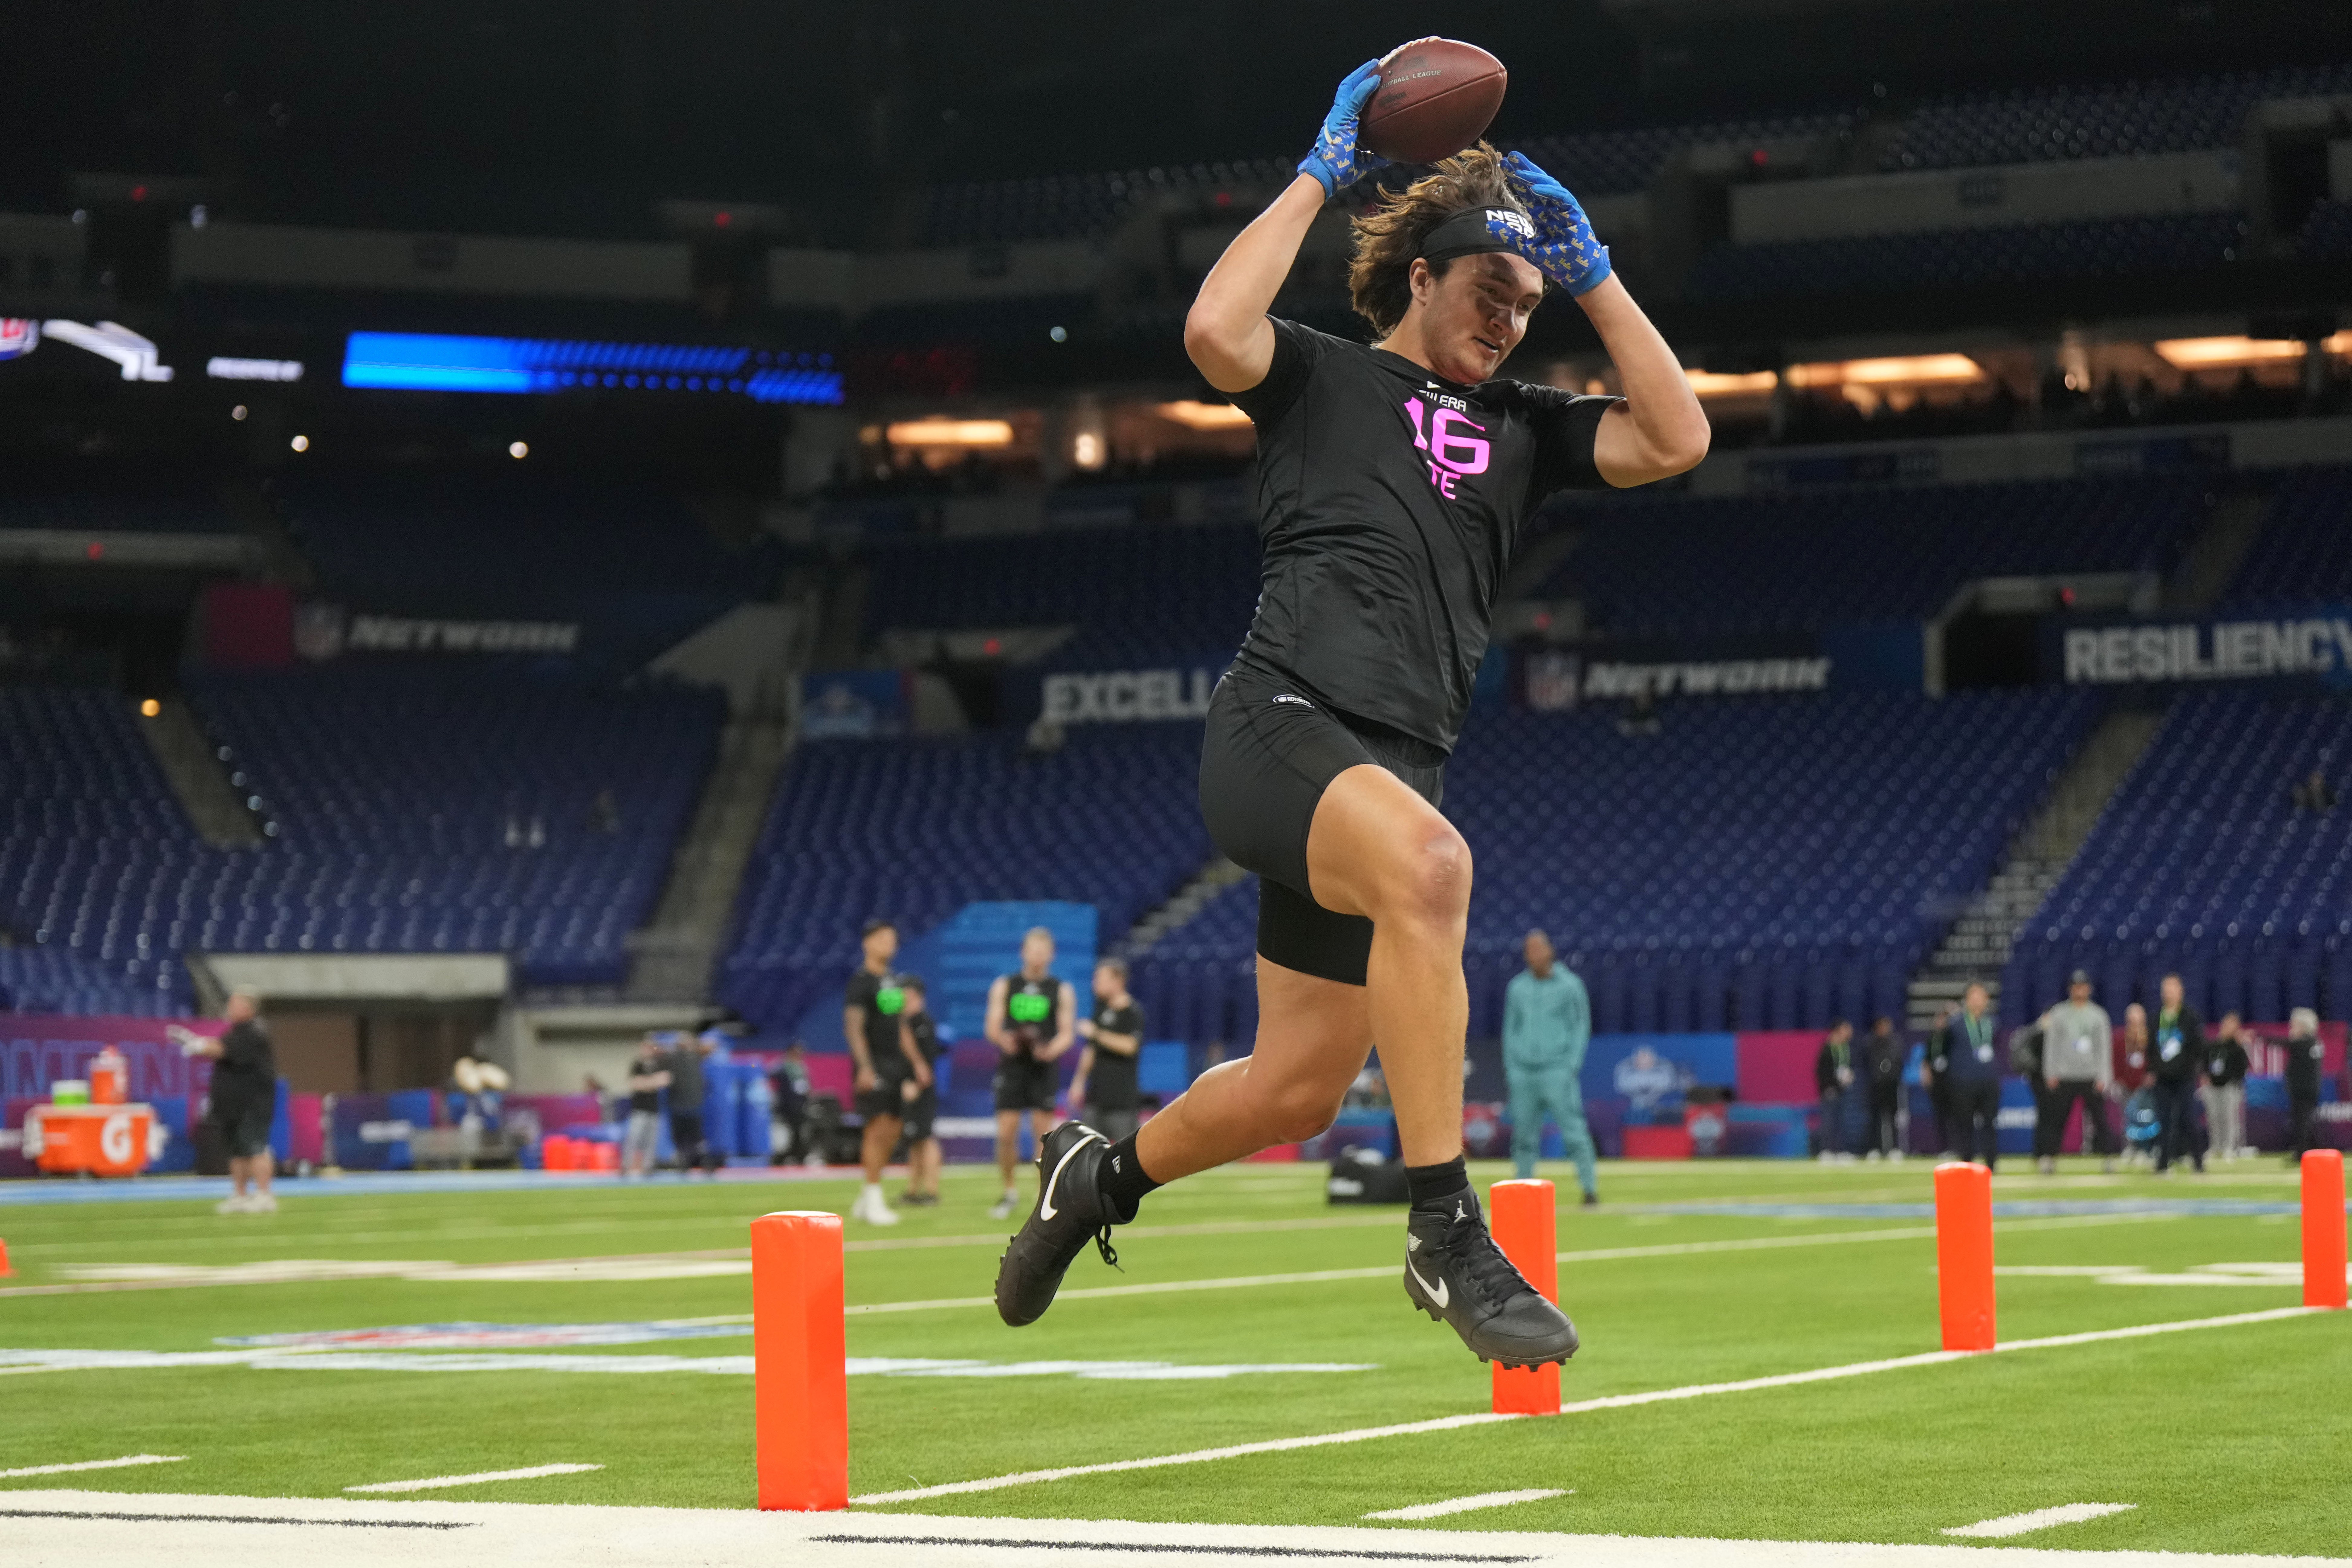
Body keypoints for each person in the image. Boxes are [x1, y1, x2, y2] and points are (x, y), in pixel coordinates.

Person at [992, 50, 1706, 1369]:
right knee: (1435, 868)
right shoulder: (1319, 377)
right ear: (1420, 275)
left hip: (1387, 769)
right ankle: (1443, 1233)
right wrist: (1323, 169)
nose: (1508, 322)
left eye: (1525, 305)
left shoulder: (1523, 427)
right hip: (1278, 727)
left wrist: (1592, 273)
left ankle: (1091, 1178)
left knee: (1295, 1092)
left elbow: (1674, 439)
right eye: (1489, 291)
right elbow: (1213, 333)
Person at [986, 927, 1078, 1220]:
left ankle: (1045, 1196)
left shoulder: (1061, 989)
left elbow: (1067, 1033)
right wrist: (1006, 1041)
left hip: (1042, 1068)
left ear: (1051, 955)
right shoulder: (1006, 985)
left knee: (1043, 1135)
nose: (1037, 955)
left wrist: (1050, 1050)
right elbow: (992, 1026)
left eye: (1043, 950)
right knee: (1006, 1132)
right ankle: (1010, 1191)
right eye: (1032, 949)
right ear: (1023, 952)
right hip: (1013, 1067)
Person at [1501, 930, 1598, 1202]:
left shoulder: (1570, 986)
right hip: (1523, 1071)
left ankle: (1589, 1189)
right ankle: (1522, 1192)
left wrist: (1571, 1065)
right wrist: (1511, 1067)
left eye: (1539, 949)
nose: (1534, 955)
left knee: (1574, 1131)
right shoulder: (1517, 988)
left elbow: (1581, 1027)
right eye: (1529, 950)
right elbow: (1510, 1030)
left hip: (1557, 1070)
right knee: (1523, 1136)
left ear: (1550, 951)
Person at [170, 990, 279, 1214]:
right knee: (238, 1152)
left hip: (252, 1103)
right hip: (234, 1106)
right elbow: (222, 1047)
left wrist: (196, 1044)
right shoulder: (237, 1032)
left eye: (236, 1004)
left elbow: (222, 1050)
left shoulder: (253, 1033)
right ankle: (240, 1195)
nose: (230, 1008)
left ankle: (265, 1195)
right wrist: (198, 1043)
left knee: (256, 1149)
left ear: (249, 1009)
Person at [844, 919, 915, 1225]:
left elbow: (900, 1026)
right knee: (877, 1128)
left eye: (892, 939)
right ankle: (873, 1195)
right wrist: (865, 1067)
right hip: (874, 1063)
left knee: (894, 1128)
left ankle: (867, 1194)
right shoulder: (861, 982)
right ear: (868, 943)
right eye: (882, 938)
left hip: (895, 1063)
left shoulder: (894, 980)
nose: (889, 944)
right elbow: (854, 1028)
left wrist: (917, 1064)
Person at [2035, 970, 2116, 1174]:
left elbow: (2104, 1048)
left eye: (2083, 986)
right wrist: (2050, 1073)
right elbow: (2051, 1046)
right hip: (2065, 1076)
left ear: (2089, 989)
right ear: (2070, 989)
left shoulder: (2098, 1015)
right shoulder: (2059, 1013)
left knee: (2101, 1121)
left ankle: (2109, 1159)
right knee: (2056, 1121)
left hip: (2090, 1076)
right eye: (2076, 987)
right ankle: (2049, 1159)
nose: (2079, 990)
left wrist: (2104, 1076)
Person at [1069, 957, 1146, 1145]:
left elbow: (1130, 1046)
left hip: (1121, 1101)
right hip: (1095, 1098)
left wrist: (1096, 1033)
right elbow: (1091, 1050)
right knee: (1088, 1152)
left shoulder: (1132, 1012)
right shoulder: (1101, 1010)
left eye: (1100, 979)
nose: (1095, 984)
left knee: (1125, 1153)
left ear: (1118, 981)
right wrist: (1078, 1082)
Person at [1928, 983, 2002, 1170]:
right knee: (1964, 1125)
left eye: (1981, 996)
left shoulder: (1992, 1023)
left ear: (1987, 1000)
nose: (1978, 1000)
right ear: (1967, 1000)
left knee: (1990, 1124)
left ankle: (1991, 1164)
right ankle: (1967, 1164)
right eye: (1974, 996)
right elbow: (1941, 1050)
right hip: (1963, 1083)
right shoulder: (1955, 1025)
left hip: (1988, 1082)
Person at [2149, 973, 2206, 1175]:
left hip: (2184, 1078)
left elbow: (2197, 1048)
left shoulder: (2190, 1017)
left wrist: (2192, 1070)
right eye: (2166, 989)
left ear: (2181, 991)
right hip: (2163, 1078)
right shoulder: (2156, 1017)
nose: (2169, 993)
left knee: (2189, 1119)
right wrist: (2152, 1070)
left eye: (2173, 988)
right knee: (2163, 1121)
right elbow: (2151, 1048)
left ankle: (2198, 1162)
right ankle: (2163, 1163)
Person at [896, 977, 944, 1207]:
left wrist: (916, 1084)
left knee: (925, 1138)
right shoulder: (910, 1023)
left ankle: (932, 1190)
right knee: (915, 1140)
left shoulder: (922, 1023)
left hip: (921, 1089)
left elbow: (927, 1062)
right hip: (912, 1087)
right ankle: (914, 1189)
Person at [660, 1029, 721, 1179]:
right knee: (682, 1140)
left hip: (693, 1106)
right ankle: (685, 1165)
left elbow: (712, 1046)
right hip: (679, 1106)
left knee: (698, 1140)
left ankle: (705, 1164)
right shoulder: (673, 1059)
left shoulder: (695, 1057)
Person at [2202, 1012, 2252, 1163]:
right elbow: (2205, 1063)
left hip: (2230, 1087)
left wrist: (2233, 1080)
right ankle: (2215, 1146)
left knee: (2229, 1118)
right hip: (2213, 1087)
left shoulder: (2238, 1048)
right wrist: (2206, 1076)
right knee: (2213, 1118)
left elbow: (2243, 1068)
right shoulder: (2214, 1046)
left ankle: (2229, 1148)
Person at [621, 1034, 668, 1178]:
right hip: (639, 1109)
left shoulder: (659, 1065)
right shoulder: (637, 1065)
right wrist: (652, 1082)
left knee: (651, 1142)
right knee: (634, 1138)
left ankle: (648, 1168)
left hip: (654, 1109)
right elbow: (635, 1084)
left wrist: (646, 1083)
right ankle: (626, 1167)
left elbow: (664, 1081)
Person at [1860, 1017, 1906, 1161]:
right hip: (1875, 1087)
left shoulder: (1895, 1043)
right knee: (1874, 1119)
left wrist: (1892, 1077)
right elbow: (1866, 1065)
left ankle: (1894, 1149)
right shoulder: (1870, 1044)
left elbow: (1899, 1064)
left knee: (1892, 1119)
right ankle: (1874, 1149)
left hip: (1891, 1087)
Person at [2116, 1002, 2155, 1167]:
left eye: (2138, 1017)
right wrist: (2118, 1079)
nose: (2135, 1020)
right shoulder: (2121, 1038)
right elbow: (2116, 1061)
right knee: (2128, 1118)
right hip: (2127, 1085)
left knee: (2146, 1118)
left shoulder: (2149, 1036)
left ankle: (2147, 1149)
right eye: (2132, 1017)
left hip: (2144, 1086)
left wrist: (2151, 1075)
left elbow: (2154, 1057)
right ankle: (2130, 1147)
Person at [2285, 1007, 2325, 1160]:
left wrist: (2259, 1036)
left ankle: (2301, 1153)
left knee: (2301, 1122)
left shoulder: (2304, 1043)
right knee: (2304, 1122)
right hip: (2310, 1089)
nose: (2291, 1028)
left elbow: (2285, 1044)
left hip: (2303, 1090)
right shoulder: (2316, 1042)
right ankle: (2304, 1150)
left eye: (2294, 1025)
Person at [1814, 1019, 1855, 1163]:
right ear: (1839, 1030)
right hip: (1830, 1091)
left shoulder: (1845, 1048)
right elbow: (1821, 1072)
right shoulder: (1827, 1049)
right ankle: (1826, 1151)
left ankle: (1841, 1151)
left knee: (1842, 1121)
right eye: (1847, 1029)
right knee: (1829, 1121)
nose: (1850, 1032)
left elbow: (1846, 1067)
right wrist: (1827, 1088)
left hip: (1842, 1090)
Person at [768, 1040, 811, 1166]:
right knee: (789, 1133)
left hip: (800, 1106)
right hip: (788, 1106)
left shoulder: (800, 1068)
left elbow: (805, 1087)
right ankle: (784, 1157)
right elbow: (770, 1074)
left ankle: (797, 1156)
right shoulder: (783, 1066)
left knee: (799, 1132)